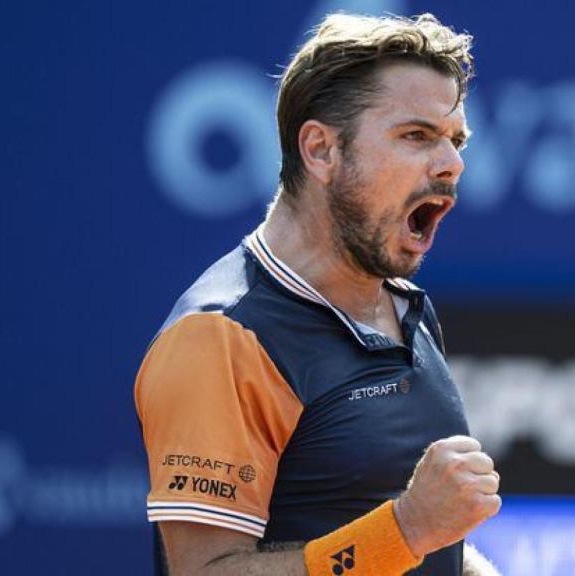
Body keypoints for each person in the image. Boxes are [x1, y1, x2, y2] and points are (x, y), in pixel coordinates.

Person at [134, 12, 501, 576]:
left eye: (455, 141)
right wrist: (405, 529)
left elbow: (418, 542)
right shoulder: (220, 338)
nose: (452, 163)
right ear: (321, 150)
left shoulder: (406, 309)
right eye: (416, 136)